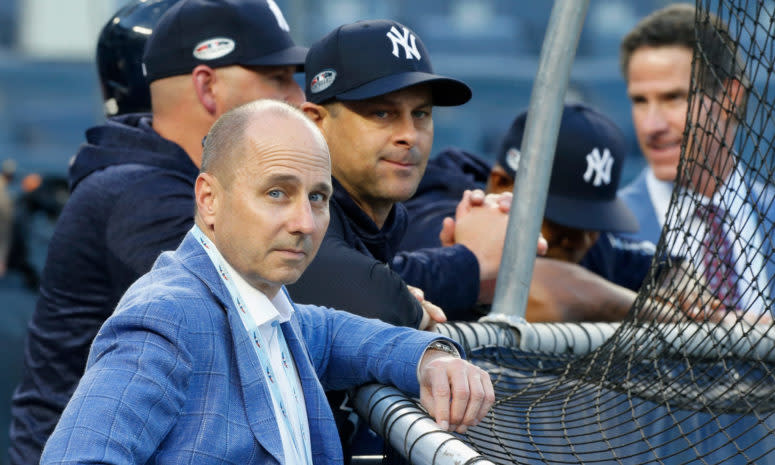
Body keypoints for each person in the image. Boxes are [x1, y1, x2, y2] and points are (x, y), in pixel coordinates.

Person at [40, 99, 494, 464]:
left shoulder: (265, 305)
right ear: (209, 199)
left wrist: (432, 358)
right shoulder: (167, 316)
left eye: (318, 197)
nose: (304, 222)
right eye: (277, 192)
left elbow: (335, 333)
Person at [10, 1, 308, 462]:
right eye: (276, 78)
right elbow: (307, 304)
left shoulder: (163, 181)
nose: (298, 97)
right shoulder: (138, 194)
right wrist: (458, 264)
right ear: (207, 87)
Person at [289, 19, 513, 325]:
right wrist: (471, 260)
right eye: (382, 113)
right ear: (315, 122)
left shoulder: (387, 223)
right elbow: (359, 293)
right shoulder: (288, 204)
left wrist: (479, 287)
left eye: (420, 113)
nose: (409, 134)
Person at [616, 4, 775, 312]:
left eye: (674, 98)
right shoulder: (602, 238)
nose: (651, 126)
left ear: (730, 98)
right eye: (639, 100)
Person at [403, 103, 656, 294]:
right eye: (560, 217)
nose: (577, 241)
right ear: (501, 183)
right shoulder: (436, 211)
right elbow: (532, 292)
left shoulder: (579, 238)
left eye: (591, 223)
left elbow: (655, 266)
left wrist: (676, 276)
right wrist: (638, 309)